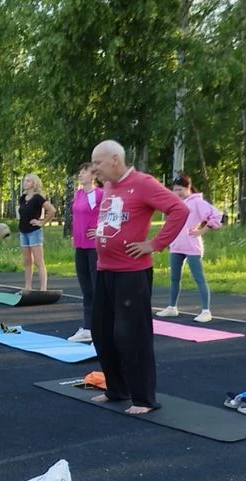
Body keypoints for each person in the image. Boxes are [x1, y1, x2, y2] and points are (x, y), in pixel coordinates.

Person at [89, 140, 188, 415]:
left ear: (115, 160)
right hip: (105, 269)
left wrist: (155, 244)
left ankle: (144, 398)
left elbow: (180, 210)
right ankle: (117, 389)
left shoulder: (143, 183)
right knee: (102, 332)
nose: (95, 169)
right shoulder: (109, 186)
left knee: (132, 335)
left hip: (132, 274)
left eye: (98, 163)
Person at [156, 174, 223, 323]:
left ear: (188, 188)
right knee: (174, 278)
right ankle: (172, 307)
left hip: (191, 245)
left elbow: (216, 216)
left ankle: (206, 311)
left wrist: (201, 231)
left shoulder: (197, 202)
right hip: (176, 245)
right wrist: (167, 240)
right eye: (175, 190)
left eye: (180, 189)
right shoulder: (175, 203)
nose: (177, 192)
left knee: (199, 278)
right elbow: (170, 224)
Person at [67, 163, 103, 343]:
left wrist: (100, 229)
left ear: (94, 175)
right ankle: (88, 328)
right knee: (86, 289)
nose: (80, 175)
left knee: (97, 287)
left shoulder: (100, 194)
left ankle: (101, 326)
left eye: (84, 172)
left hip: (94, 247)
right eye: (79, 172)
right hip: (80, 246)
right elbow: (77, 218)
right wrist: (75, 236)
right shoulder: (79, 194)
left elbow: (111, 214)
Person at [17, 174, 57, 291]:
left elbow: (52, 210)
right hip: (23, 231)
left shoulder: (38, 198)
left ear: (34, 183)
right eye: (25, 181)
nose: (25, 183)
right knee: (27, 261)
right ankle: (28, 286)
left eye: (28, 181)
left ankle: (43, 288)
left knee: (39, 261)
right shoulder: (23, 197)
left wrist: (42, 222)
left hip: (34, 232)